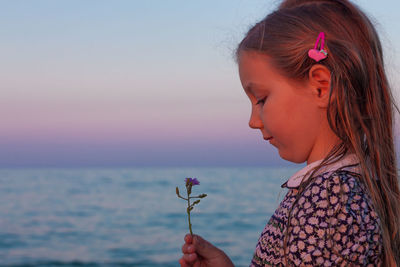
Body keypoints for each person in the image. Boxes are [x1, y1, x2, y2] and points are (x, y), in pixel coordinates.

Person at [179, 0, 400, 266]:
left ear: (320, 86)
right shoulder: (345, 190)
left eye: (261, 99)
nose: (252, 121)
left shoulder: (328, 202)